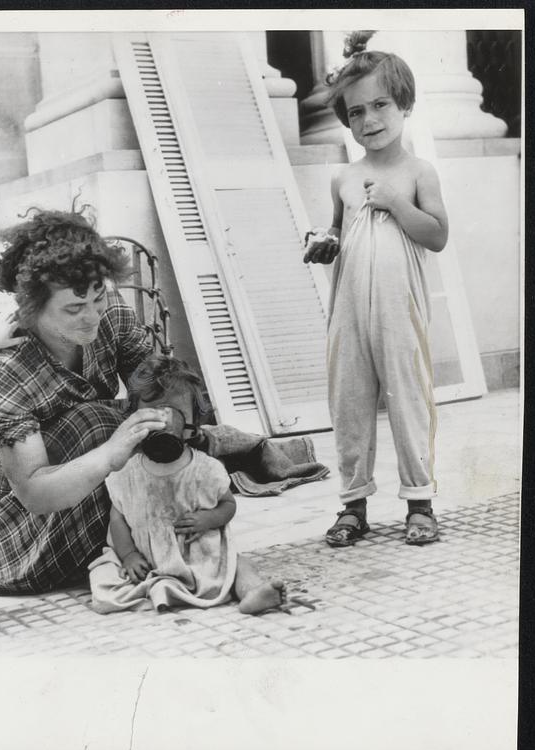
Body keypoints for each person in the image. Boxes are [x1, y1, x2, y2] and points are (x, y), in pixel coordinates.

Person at [0, 209, 168, 595]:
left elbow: (155, 384)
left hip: (72, 460)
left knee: (146, 424)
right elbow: (34, 492)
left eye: (97, 300)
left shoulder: (109, 310)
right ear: (33, 308)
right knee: (99, 425)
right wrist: (111, 454)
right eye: (73, 308)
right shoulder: (8, 368)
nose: (91, 318)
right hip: (0, 496)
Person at [304, 31, 449, 547]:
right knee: (349, 400)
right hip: (349, 309)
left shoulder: (417, 172)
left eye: (381, 105)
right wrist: (323, 243)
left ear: (404, 103)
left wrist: (396, 203)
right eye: (357, 112)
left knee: (408, 396)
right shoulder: (343, 177)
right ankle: (353, 504)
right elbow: (339, 234)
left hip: (397, 308)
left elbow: (437, 235)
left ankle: (419, 501)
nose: (370, 121)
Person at [88, 355, 287, 615]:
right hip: (147, 557)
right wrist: (128, 555)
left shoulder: (204, 469)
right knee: (103, 575)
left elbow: (228, 504)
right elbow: (117, 517)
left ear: (192, 423)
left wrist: (210, 519)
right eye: (152, 412)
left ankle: (253, 592)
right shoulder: (126, 470)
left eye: (174, 414)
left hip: (199, 555)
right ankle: (159, 582)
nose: (163, 422)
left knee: (236, 564)